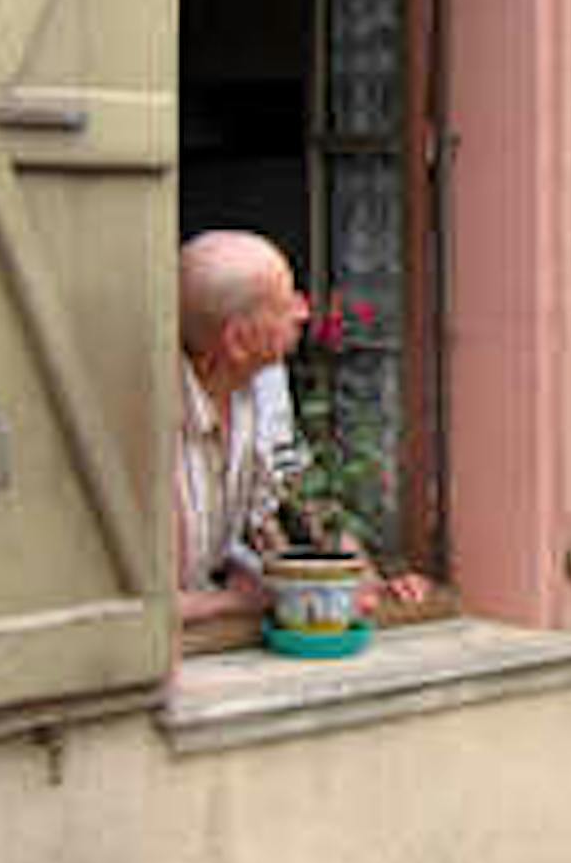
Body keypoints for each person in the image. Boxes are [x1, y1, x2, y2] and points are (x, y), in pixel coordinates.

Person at [175, 230, 425, 624]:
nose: (303, 312)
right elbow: (124, 610)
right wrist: (232, 602)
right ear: (238, 341)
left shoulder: (261, 377)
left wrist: (365, 580)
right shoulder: (149, 418)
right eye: (285, 302)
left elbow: (294, 484)